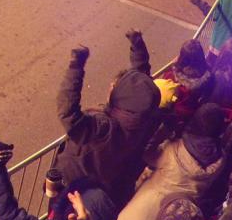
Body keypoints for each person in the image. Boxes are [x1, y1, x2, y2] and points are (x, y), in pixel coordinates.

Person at [52, 32, 161, 208]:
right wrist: (138, 47)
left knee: (58, 212)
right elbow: (142, 88)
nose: (111, 88)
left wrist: (76, 66)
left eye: (114, 87)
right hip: (99, 188)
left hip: (70, 185)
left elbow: (68, 112)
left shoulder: (105, 129)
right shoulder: (141, 122)